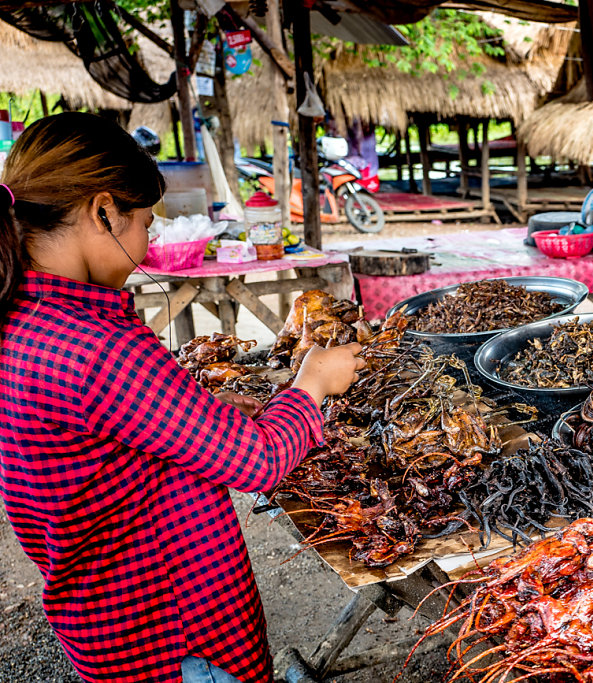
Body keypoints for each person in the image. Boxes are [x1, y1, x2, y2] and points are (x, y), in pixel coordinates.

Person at [0, 112, 364, 683]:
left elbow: (121, 432)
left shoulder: (22, 314)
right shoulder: (91, 346)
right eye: (144, 221)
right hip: (173, 637)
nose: (147, 240)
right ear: (103, 211)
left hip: (100, 615)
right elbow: (258, 461)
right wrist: (312, 381)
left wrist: (204, 409)